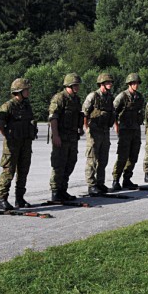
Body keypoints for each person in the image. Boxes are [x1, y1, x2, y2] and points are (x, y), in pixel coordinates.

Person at [0, 78, 38, 211]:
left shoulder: (26, 105)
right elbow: (0, 124)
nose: (28, 92)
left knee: (23, 171)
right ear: (19, 91)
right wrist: (8, 136)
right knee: (8, 171)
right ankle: (2, 199)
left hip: (25, 143)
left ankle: (20, 198)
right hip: (12, 144)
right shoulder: (8, 106)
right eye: (26, 89)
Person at [49, 73, 84, 202]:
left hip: (72, 137)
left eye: (78, 85)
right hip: (61, 137)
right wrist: (56, 135)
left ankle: (63, 189)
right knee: (59, 164)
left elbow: (78, 116)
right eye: (75, 85)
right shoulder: (59, 98)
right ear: (69, 85)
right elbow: (53, 117)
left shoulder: (76, 99)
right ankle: (55, 191)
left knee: (70, 163)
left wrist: (80, 128)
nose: (77, 87)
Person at [83, 72, 116, 196]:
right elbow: (85, 113)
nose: (110, 84)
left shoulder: (110, 97)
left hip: (104, 131)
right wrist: (87, 128)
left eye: (111, 82)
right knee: (92, 159)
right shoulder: (93, 96)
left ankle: (100, 183)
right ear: (101, 83)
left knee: (103, 159)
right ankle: (91, 185)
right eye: (108, 82)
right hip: (94, 131)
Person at [111, 73, 144, 190]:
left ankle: (127, 179)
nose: (136, 85)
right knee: (122, 156)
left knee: (133, 156)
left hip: (135, 130)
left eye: (137, 83)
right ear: (129, 84)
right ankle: (116, 180)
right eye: (133, 83)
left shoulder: (139, 97)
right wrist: (116, 125)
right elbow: (113, 111)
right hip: (125, 130)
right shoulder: (122, 96)